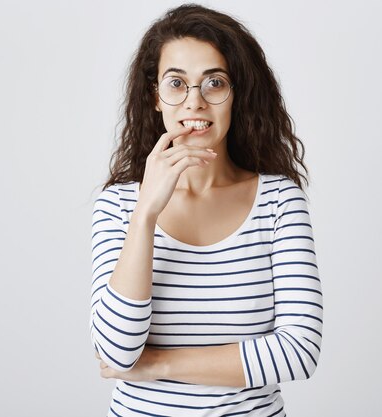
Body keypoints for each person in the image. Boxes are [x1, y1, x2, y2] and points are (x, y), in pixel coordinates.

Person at [89, 4, 323, 417]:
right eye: (176, 83)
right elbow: (116, 352)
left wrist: (159, 363)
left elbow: (299, 351)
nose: (194, 102)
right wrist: (145, 215)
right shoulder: (120, 205)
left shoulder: (279, 202)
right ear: (155, 97)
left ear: (237, 95)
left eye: (214, 82)